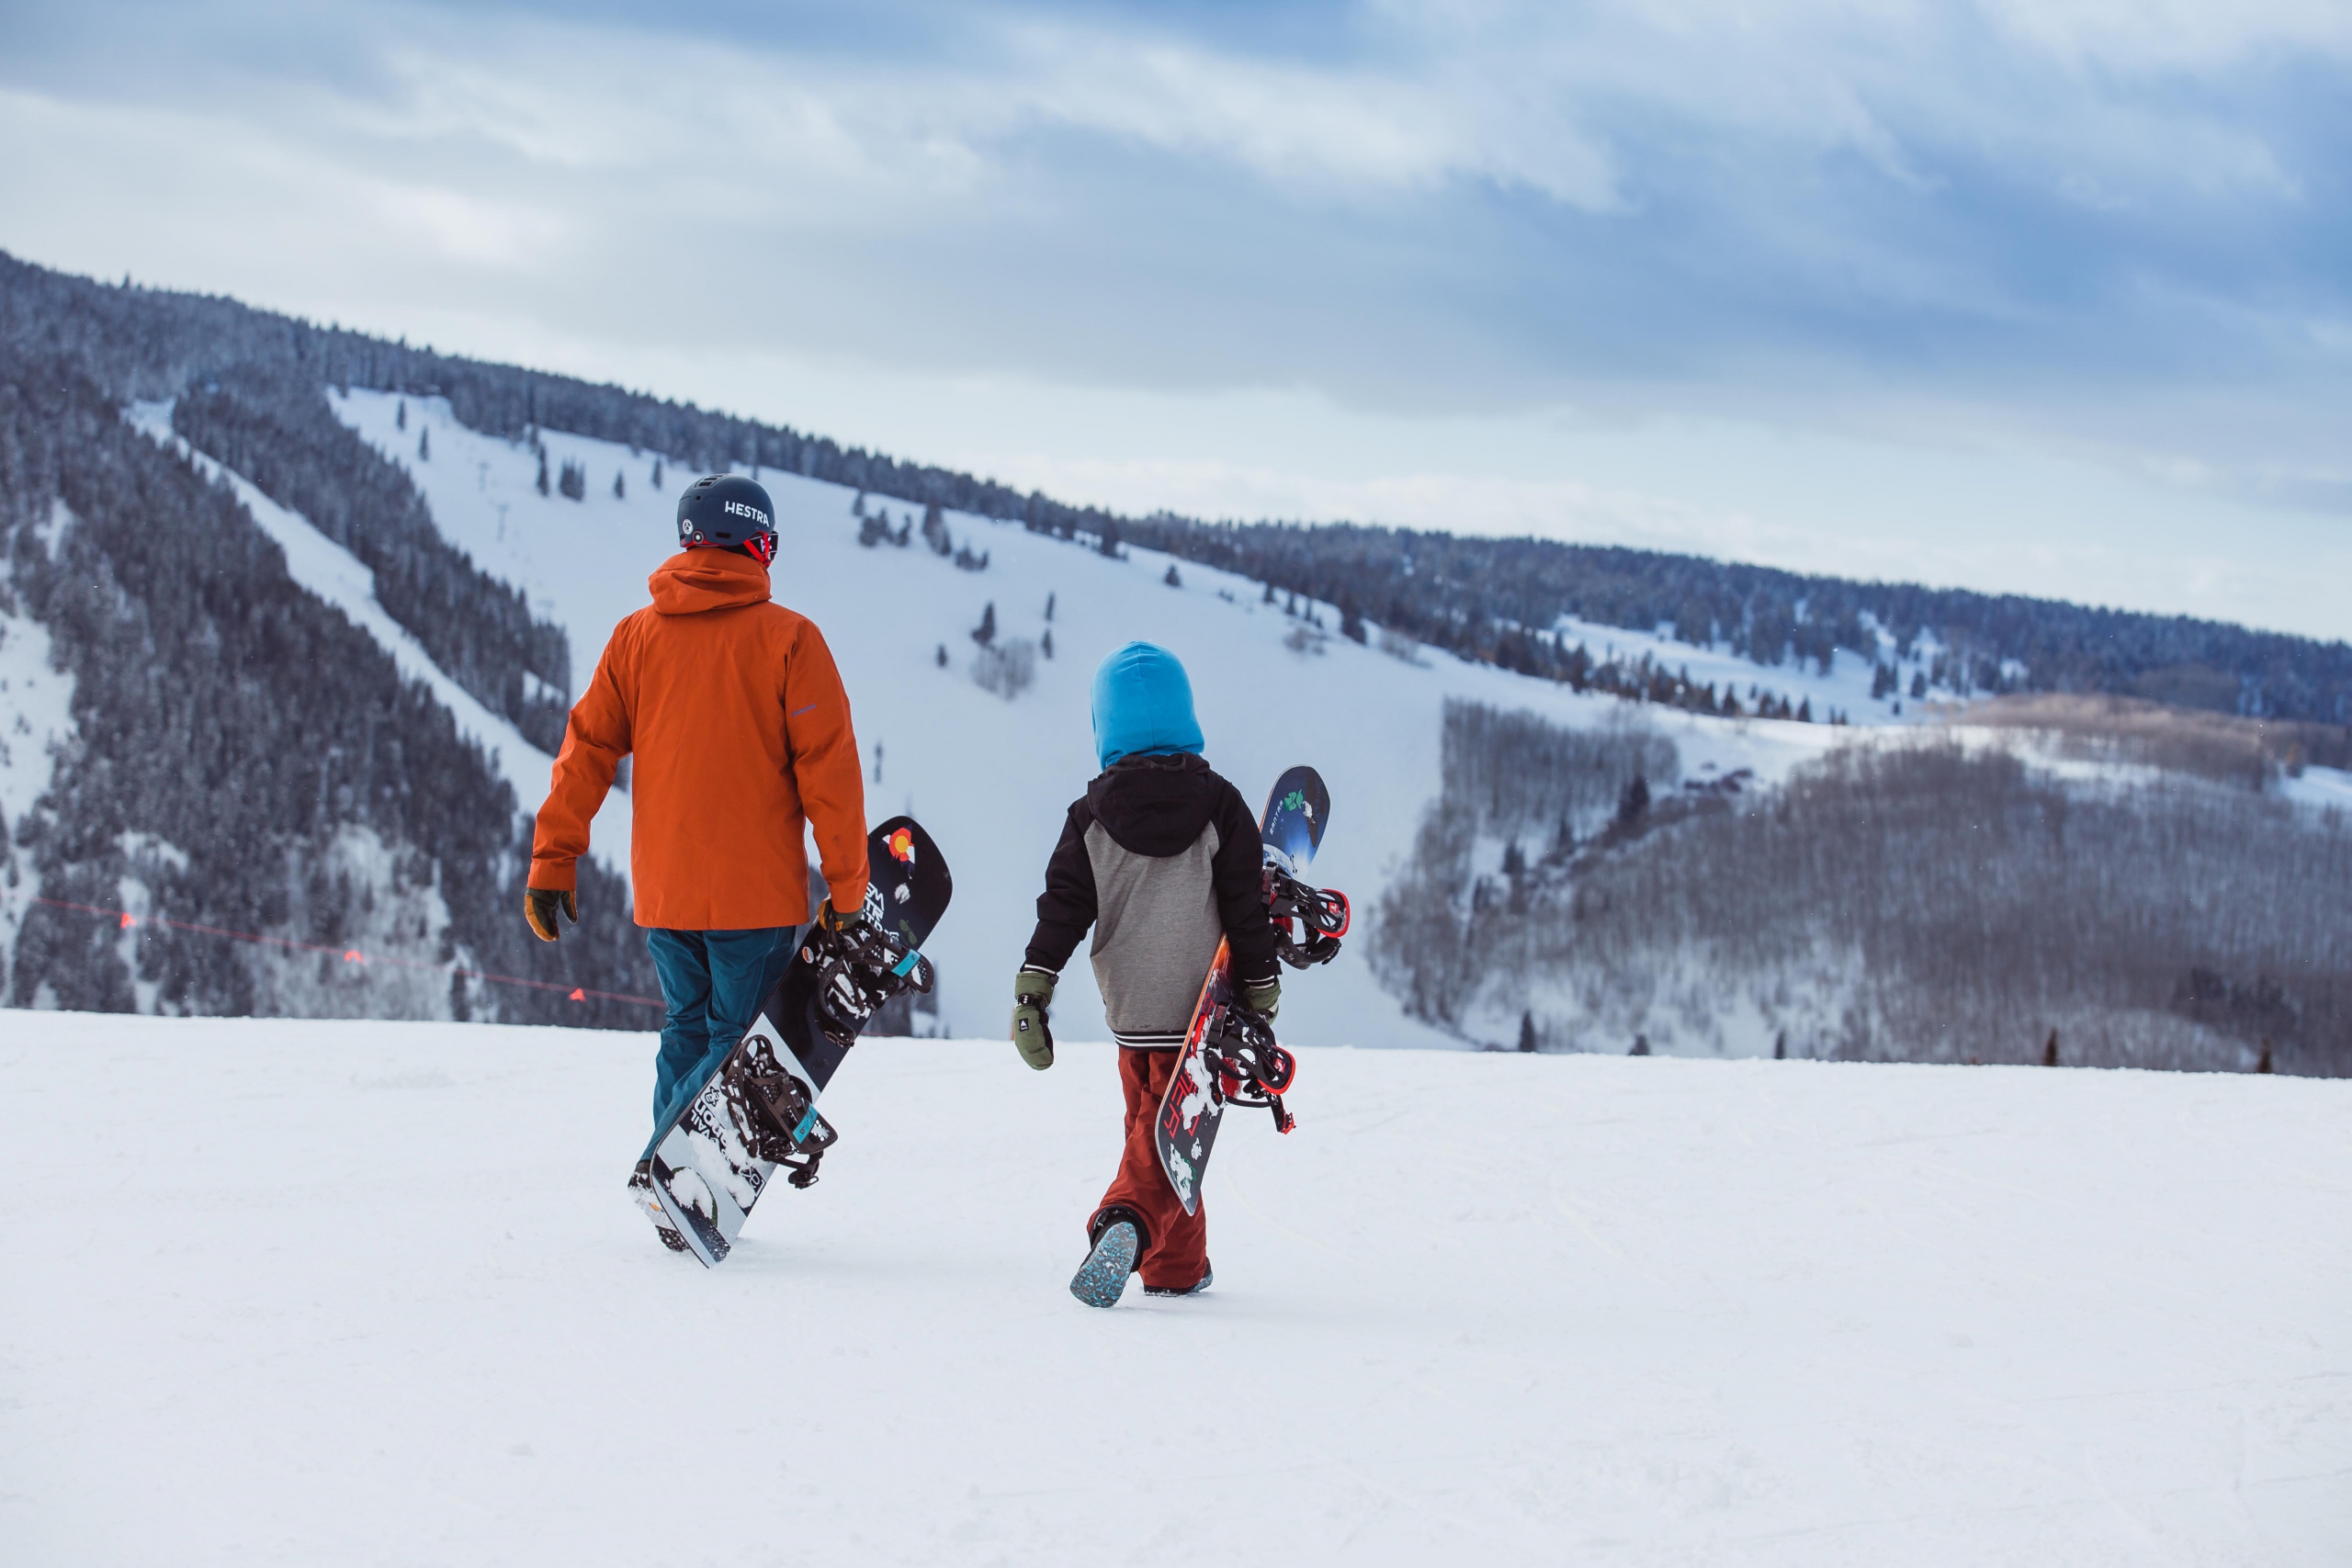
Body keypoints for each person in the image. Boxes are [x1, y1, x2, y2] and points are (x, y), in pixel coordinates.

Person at [525, 473, 870, 1176]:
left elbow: (585, 750)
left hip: (666, 893)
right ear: (758, 541)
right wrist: (848, 891)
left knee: (686, 1025)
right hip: (755, 898)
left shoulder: (636, 638)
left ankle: (673, 1178)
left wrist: (553, 860)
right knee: (735, 1039)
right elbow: (829, 776)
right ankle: (670, 1166)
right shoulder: (790, 640)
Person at [1012, 641, 1280, 1304]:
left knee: (1161, 1130)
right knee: (1169, 1139)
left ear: (1106, 728)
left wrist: (1033, 990)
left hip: (1132, 1011)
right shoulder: (1222, 805)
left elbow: (1061, 910)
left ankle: (1176, 1267)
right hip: (1202, 1015)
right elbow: (1247, 907)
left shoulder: (1089, 819)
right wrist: (1261, 983)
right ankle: (1124, 1219)